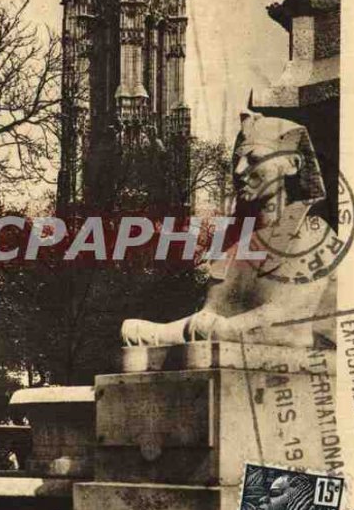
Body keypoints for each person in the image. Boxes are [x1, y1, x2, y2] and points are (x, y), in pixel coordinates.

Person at [121, 112, 331, 349]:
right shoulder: (230, 237)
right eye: (237, 160)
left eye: (254, 159)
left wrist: (205, 330)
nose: (239, 171)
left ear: (292, 164)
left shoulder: (314, 234)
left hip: (306, 361)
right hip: (226, 340)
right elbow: (208, 316)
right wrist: (161, 333)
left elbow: (290, 328)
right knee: (134, 334)